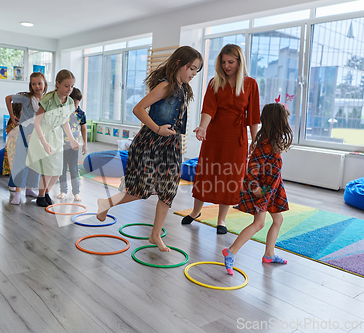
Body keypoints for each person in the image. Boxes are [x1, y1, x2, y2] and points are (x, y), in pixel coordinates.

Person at [96, 46, 203, 252]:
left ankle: (155, 234)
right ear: (179, 64)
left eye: (196, 70)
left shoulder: (183, 89)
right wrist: (157, 128)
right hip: (151, 143)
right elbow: (138, 108)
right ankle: (106, 203)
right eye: (191, 68)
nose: (193, 74)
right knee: (140, 191)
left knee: (168, 191)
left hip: (171, 145)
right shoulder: (166, 86)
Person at [182, 44, 260, 234]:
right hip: (215, 136)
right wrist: (202, 127)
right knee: (206, 173)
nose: (226, 66)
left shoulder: (251, 84)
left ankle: (221, 220)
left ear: (239, 62)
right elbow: (209, 108)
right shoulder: (214, 83)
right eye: (223, 62)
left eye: (230, 62)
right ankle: (196, 211)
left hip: (237, 138)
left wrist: (255, 141)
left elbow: (254, 117)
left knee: (230, 176)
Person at [222, 103, 293, 274]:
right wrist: (255, 188)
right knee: (259, 223)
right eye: (285, 118)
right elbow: (252, 167)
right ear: (277, 121)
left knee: (278, 220)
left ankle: (269, 254)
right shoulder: (265, 142)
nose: (287, 121)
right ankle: (230, 252)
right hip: (262, 189)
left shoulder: (272, 139)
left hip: (272, 188)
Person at [26, 69, 79, 207]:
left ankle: (46, 193)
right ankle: (41, 196)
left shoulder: (70, 102)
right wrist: (43, 141)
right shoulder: (48, 100)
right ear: (57, 84)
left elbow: (65, 122)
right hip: (43, 135)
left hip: (57, 137)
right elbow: (37, 122)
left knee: (57, 171)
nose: (69, 89)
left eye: (72, 86)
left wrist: (72, 139)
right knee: (48, 170)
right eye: (66, 86)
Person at [6, 72, 47, 205]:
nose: (37, 86)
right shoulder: (26, 98)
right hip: (25, 132)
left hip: (38, 134)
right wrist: (12, 116)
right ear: (30, 85)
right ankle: (18, 192)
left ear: (44, 84)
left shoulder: (47, 100)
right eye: (33, 84)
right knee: (21, 161)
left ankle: (29, 189)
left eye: (39, 83)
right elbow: (8, 98)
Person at [57, 87, 87, 201]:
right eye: (73, 102)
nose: (74, 105)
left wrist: (85, 144)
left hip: (74, 146)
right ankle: (63, 190)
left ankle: (76, 192)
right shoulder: (63, 112)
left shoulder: (81, 113)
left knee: (74, 169)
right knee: (62, 169)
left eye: (76, 103)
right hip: (62, 145)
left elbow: (83, 129)